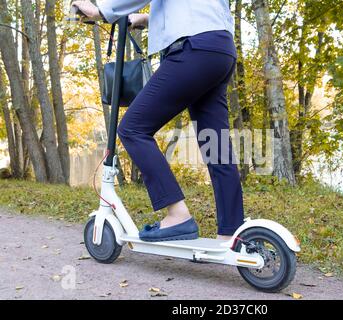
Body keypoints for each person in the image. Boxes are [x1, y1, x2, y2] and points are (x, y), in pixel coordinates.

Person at [71, 0, 244, 242]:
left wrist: (101, 11)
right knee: (216, 147)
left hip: (192, 49)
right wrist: (143, 19)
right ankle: (230, 232)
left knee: (132, 129)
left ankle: (177, 214)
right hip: (220, 50)